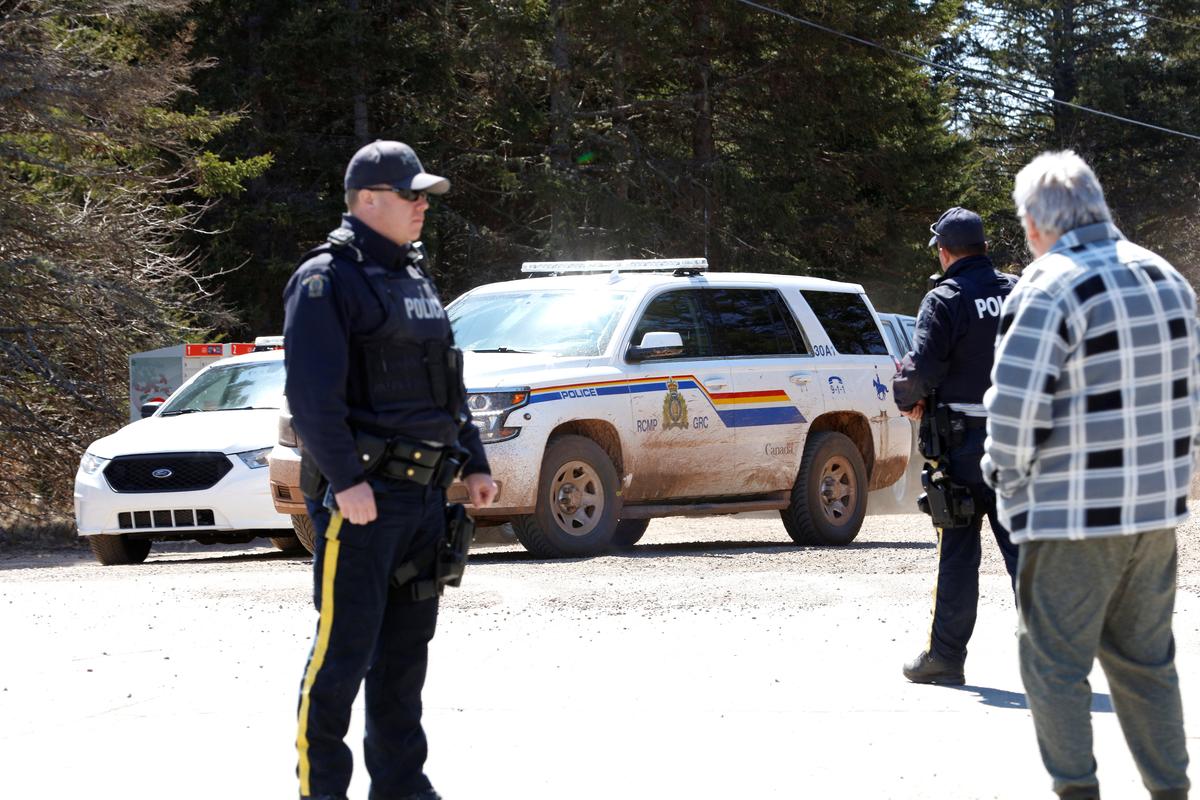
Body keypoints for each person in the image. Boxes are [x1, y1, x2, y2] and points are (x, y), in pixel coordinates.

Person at [284, 140, 497, 800]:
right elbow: (310, 398)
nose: (422, 206)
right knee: (342, 656)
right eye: (411, 195)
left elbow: (446, 384)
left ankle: (403, 789)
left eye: (424, 195)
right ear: (368, 200)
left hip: (425, 502)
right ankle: (323, 792)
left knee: (404, 662)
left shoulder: (413, 278)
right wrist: (346, 482)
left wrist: (476, 461)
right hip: (365, 502)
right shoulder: (325, 280)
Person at [983, 150, 1195, 800]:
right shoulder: (1168, 279)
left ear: (1037, 224)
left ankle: (1077, 793)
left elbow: (1014, 410)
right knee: (1148, 665)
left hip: (1071, 516)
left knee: (1053, 668)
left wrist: (1004, 478)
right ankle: (1170, 790)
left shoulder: (1050, 284)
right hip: (1156, 515)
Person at [893, 206, 1019, 685]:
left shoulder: (946, 298)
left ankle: (945, 658)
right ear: (985, 248)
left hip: (963, 447)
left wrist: (909, 398)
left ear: (945, 253)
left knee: (959, 556)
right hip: (1022, 444)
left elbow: (920, 368)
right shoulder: (1019, 291)